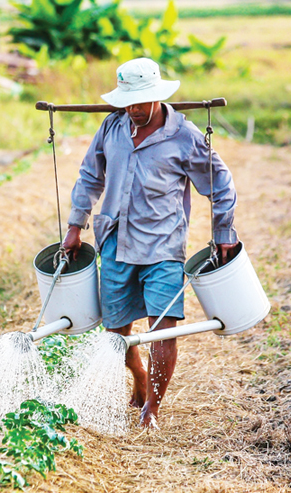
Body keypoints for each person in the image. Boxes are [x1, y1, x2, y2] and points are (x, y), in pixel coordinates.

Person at [62, 57, 238, 429]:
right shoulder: (112, 127)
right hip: (115, 242)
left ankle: (151, 411)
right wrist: (75, 225)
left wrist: (223, 232)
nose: (133, 110)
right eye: (127, 102)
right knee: (116, 333)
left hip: (163, 246)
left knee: (163, 330)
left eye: (140, 102)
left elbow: (220, 184)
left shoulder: (184, 136)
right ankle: (139, 376)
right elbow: (90, 176)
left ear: (157, 96)